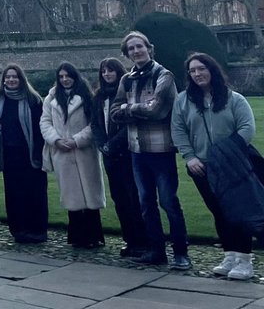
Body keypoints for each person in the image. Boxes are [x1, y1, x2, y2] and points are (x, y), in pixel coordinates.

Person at [171, 52, 257, 280]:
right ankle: (229, 255)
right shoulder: (183, 100)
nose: (198, 74)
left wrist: (225, 154)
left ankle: (245, 260)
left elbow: (246, 128)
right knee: (218, 212)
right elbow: (178, 130)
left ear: (212, 70)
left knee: (238, 211)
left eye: (201, 68)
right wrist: (190, 157)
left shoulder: (234, 98)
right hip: (201, 166)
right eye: (193, 70)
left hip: (232, 166)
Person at [111, 31, 190, 269]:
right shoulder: (127, 79)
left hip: (161, 149)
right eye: (131, 49)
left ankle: (181, 252)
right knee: (146, 204)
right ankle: (156, 251)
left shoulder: (163, 75)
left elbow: (156, 109)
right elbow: (114, 112)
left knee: (168, 202)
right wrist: (135, 108)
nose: (136, 51)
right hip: (137, 150)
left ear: (149, 48)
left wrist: (128, 108)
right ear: (127, 54)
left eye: (140, 47)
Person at [41, 63, 105, 249]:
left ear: (74, 76)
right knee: (72, 196)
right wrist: (56, 140)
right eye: (61, 76)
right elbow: (45, 122)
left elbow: (94, 123)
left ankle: (94, 236)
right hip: (62, 152)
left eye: (67, 76)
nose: (64, 79)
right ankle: (77, 237)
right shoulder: (51, 98)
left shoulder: (87, 96)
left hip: (84, 151)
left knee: (90, 194)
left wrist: (77, 140)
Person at [92, 57, 149, 258]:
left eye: (110, 71)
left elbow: (130, 124)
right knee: (120, 199)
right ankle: (130, 240)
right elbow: (95, 124)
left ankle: (143, 241)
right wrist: (102, 145)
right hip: (109, 155)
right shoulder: (98, 97)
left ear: (118, 72)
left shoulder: (126, 93)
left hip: (127, 153)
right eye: (104, 71)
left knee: (134, 198)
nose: (107, 74)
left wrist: (112, 144)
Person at [0, 63, 48, 243]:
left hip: (31, 153)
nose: (11, 80)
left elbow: (41, 127)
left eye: (15, 77)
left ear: (21, 79)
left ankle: (37, 230)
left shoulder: (33, 100)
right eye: (8, 77)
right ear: (4, 80)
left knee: (35, 193)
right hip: (9, 154)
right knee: (14, 193)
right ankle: (18, 229)